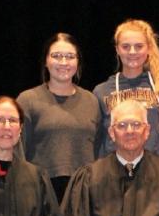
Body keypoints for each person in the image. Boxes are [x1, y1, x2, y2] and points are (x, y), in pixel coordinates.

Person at [17, 33, 102, 203]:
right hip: (41, 193)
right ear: (45, 61)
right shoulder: (27, 100)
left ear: (78, 62)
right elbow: (18, 150)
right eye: (56, 56)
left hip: (83, 193)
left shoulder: (91, 100)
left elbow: (99, 149)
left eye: (70, 57)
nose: (63, 62)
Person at [93, 19, 159, 159]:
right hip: (115, 174)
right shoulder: (101, 91)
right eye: (126, 46)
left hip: (156, 172)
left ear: (148, 48)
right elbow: (97, 140)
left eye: (139, 46)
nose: (132, 52)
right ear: (117, 49)